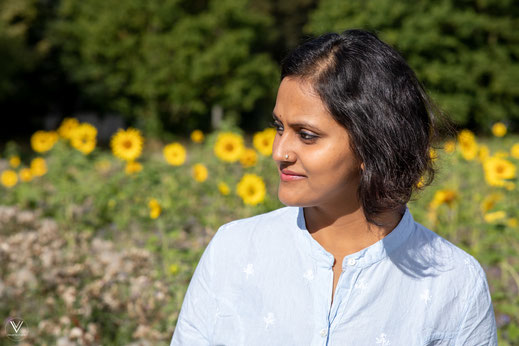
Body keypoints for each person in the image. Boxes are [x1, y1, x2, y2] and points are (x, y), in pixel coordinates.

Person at [170, 29, 497, 345]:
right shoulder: (233, 251)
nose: (278, 152)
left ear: (375, 144)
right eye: (279, 127)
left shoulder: (453, 281)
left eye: (306, 135)